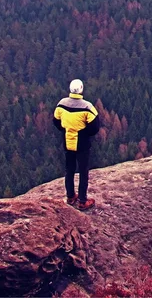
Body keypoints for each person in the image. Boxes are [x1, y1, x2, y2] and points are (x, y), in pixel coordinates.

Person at [53, 79, 100, 210]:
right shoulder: (87, 107)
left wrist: (66, 129)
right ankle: (83, 201)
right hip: (82, 143)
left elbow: (56, 121)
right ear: (81, 89)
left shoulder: (61, 104)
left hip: (68, 141)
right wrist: (84, 133)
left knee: (70, 169)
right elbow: (95, 127)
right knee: (83, 171)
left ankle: (70, 196)